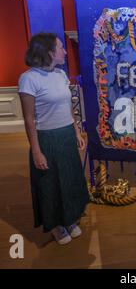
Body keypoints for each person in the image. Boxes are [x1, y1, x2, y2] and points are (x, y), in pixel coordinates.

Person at [18, 33, 90, 245]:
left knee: (69, 178)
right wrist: (37, 151)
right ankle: (56, 225)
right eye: (61, 47)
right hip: (47, 139)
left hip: (66, 134)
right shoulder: (28, 78)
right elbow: (29, 120)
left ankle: (68, 219)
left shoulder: (60, 75)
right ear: (49, 52)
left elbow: (68, 107)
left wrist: (76, 131)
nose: (65, 51)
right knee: (50, 183)